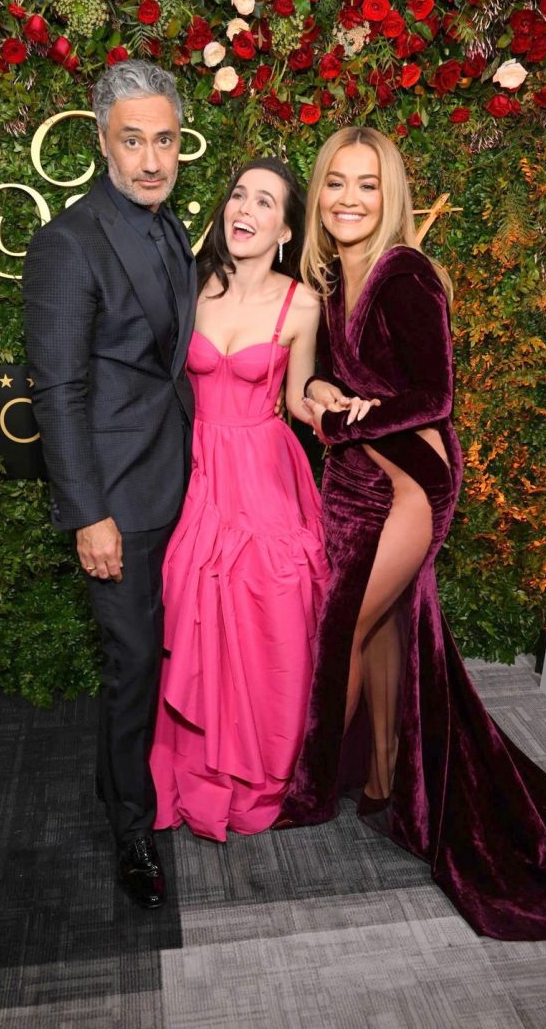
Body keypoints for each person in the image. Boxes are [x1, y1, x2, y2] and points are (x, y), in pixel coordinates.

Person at [275, 127, 546, 940]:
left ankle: (307, 792)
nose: (349, 199)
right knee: (384, 633)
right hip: (361, 479)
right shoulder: (333, 278)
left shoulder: (405, 273)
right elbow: (345, 379)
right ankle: (385, 784)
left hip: (415, 481)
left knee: (341, 628)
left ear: (391, 195)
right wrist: (324, 391)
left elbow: (434, 396)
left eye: (367, 185)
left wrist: (344, 426)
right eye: (336, 182)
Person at [22, 60, 197, 909]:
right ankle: (130, 828)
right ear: (102, 142)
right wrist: (88, 514)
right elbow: (57, 391)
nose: (151, 160)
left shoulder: (171, 229)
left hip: (185, 482)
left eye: (164, 140)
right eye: (133, 142)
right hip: (119, 501)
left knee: (172, 653)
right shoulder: (69, 242)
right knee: (131, 665)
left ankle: (170, 781)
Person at [149, 158, 351, 840]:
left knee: (270, 615)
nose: (245, 209)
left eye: (265, 202)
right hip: (195, 467)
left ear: (286, 229)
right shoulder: (191, 285)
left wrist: (326, 399)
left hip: (264, 471)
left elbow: (298, 395)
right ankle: (192, 772)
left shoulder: (303, 304)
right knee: (192, 609)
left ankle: (261, 772)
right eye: (239, 195)